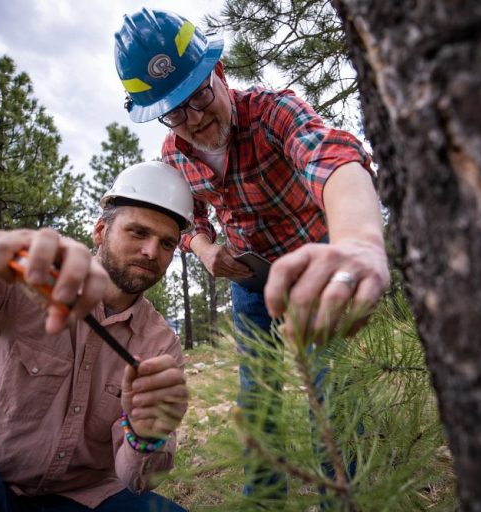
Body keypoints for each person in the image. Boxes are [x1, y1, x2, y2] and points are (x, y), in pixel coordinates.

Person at [114, 8, 391, 502]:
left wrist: (357, 241)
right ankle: (265, 499)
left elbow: (334, 157)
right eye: (175, 110)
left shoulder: (274, 111)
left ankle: (344, 499)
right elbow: (188, 218)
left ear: (219, 73)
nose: (194, 118)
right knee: (256, 398)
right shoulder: (174, 154)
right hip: (250, 283)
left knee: (331, 392)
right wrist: (203, 248)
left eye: (199, 94)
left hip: (314, 268)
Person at [0, 162, 194, 512]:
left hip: (83, 499)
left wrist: (145, 436)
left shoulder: (160, 343)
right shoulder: (24, 281)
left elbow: (140, 481)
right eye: (138, 233)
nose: (152, 252)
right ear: (101, 231)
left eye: (167, 243)